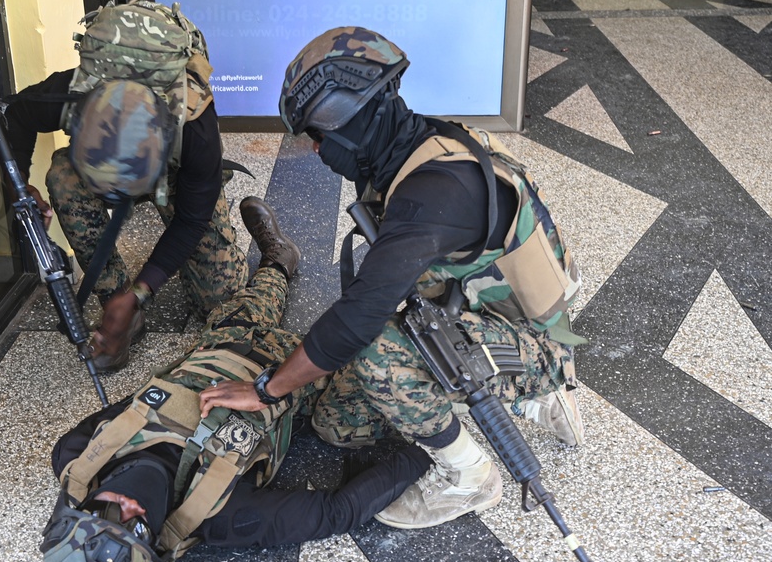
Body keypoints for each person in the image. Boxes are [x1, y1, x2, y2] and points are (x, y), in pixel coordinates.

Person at [199, 27, 585, 531]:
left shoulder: (437, 189)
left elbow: (359, 318)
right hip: (473, 306)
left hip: (536, 338)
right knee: (337, 426)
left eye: (317, 136)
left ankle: (474, 471)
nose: (315, 151)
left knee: (375, 350)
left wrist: (267, 390)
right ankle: (521, 388)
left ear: (350, 119)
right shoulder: (405, 148)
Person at [41, 197, 432, 562]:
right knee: (355, 398)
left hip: (226, 343)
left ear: (78, 507)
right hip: (305, 381)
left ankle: (280, 258)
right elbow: (335, 513)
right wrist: (427, 453)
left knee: (261, 290)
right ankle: (412, 315)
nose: (130, 509)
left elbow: (136, 399)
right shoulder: (221, 516)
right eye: (137, 531)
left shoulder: (75, 456)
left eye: (106, 515)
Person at [2, 0, 248, 372]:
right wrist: (21, 187)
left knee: (218, 299)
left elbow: (192, 221)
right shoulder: (72, 93)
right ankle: (115, 304)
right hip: (110, 150)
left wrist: (142, 290)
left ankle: (274, 254)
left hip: (177, 174)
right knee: (64, 179)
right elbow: (14, 115)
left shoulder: (194, 127)